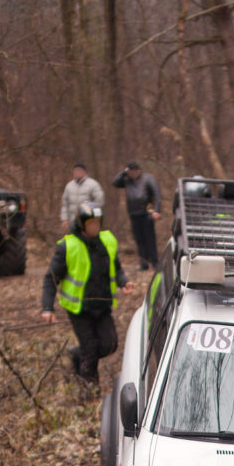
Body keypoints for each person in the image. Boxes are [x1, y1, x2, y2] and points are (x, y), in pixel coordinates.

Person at [41, 202, 132, 385]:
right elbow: (50, 278)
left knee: (110, 344)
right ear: (82, 224)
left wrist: (123, 281)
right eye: (91, 223)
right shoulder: (68, 246)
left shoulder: (108, 241)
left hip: (103, 305)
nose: (95, 227)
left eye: (98, 223)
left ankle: (77, 354)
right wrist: (47, 308)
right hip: (79, 309)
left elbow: (117, 267)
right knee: (90, 350)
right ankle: (90, 390)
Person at [112, 161, 161, 271]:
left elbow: (157, 194)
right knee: (139, 239)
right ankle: (143, 263)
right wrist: (123, 173)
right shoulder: (127, 180)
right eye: (130, 172)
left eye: (134, 172)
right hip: (134, 213)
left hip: (146, 213)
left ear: (138, 171)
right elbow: (115, 182)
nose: (133, 175)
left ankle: (154, 262)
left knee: (150, 238)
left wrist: (157, 210)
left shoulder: (148, 179)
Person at [60, 162, 104, 231]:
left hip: (88, 222)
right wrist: (65, 219)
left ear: (84, 172)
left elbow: (99, 202)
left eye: (79, 170)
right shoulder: (69, 186)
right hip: (73, 221)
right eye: (76, 170)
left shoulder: (93, 184)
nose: (77, 172)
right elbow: (65, 204)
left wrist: (94, 218)